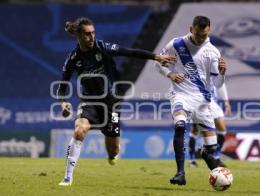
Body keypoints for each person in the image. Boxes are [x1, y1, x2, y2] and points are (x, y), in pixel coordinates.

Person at [56, 17, 176, 186]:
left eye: (93, 33)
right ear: (79, 36)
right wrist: (63, 102)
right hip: (89, 101)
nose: (91, 37)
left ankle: (112, 155)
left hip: (111, 103)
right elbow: (62, 85)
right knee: (79, 130)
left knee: (113, 150)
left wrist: (155, 56)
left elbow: (130, 52)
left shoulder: (102, 48)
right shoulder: (73, 58)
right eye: (87, 34)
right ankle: (68, 176)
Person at [155, 16, 227, 186]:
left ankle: (211, 163)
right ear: (191, 28)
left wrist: (223, 73)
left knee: (210, 151)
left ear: (208, 31)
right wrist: (170, 74)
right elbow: (158, 63)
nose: (201, 38)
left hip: (203, 102)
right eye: (198, 34)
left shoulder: (212, 52)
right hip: (181, 95)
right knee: (180, 125)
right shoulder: (176, 44)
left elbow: (217, 83)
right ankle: (180, 173)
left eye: (204, 35)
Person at [188, 83, 231, 167]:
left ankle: (216, 157)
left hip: (213, 102)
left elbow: (221, 84)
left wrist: (226, 101)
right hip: (198, 101)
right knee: (194, 130)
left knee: (222, 129)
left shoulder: (215, 72)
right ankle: (192, 160)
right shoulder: (195, 72)